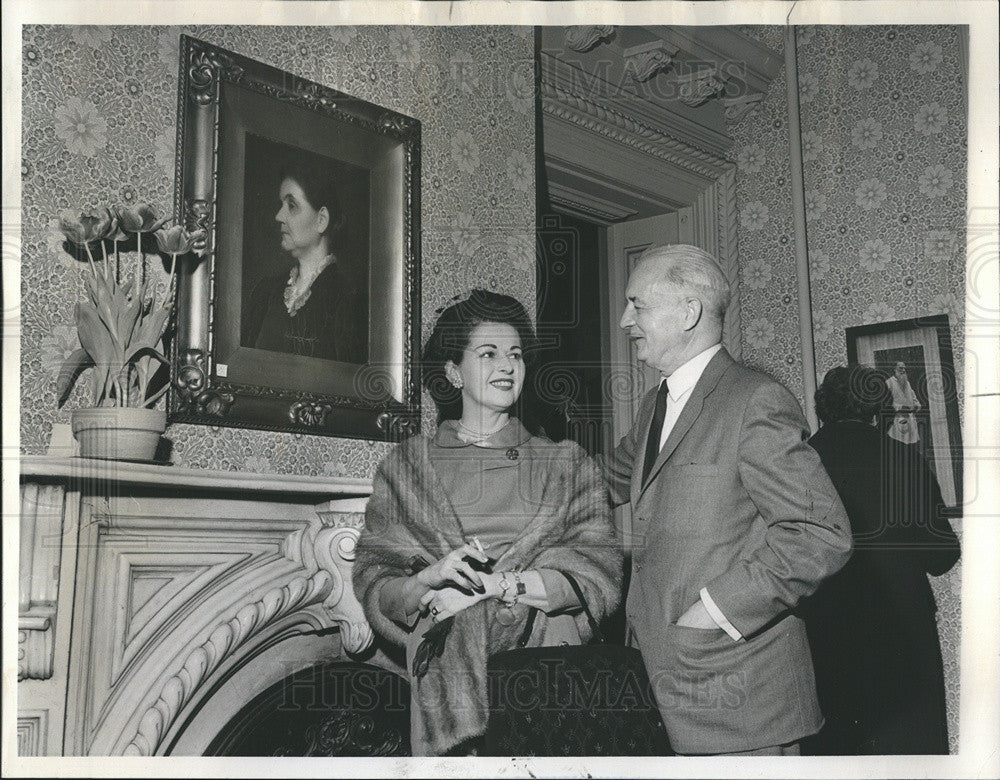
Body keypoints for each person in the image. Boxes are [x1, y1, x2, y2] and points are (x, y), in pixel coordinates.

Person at [602, 244, 852, 756]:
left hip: (741, 703)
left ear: (689, 311)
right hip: (663, 691)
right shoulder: (656, 403)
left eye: (638, 305)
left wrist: (712, 612)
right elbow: (602, 481)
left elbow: (820, 534)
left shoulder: (755, 399)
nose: (626, 320)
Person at [353, 289, 622, 756]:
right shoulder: (406, 469)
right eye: (489, 354)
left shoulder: (565, 464)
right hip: (446, 693)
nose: (507, 365)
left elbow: (597, 575)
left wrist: (498, 586)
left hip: (547, 679)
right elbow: (377, 587)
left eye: (515, 354)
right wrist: (426, 580)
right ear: (454, 372)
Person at [802, 365, 960, 755]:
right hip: (902, 634)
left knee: (838, 753)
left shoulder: (800, 464)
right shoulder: (904, 461)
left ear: (824, 408)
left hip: (825, 633)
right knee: (908, 753)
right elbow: (941, 556)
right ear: (877, 409)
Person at [243, 162, 366, 363]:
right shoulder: (265, 291)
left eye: (291, 206)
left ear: (321, 219)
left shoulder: (348, 299)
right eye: (281, 205)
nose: (279, 216)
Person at [886, 361, 922, 445]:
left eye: (905, 368)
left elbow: (914, 399)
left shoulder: (907, 383)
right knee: (900, 447)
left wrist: (917, 406)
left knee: (913, 446)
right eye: (901, 368)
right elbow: (886, 402)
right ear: (894, 369)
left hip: (911, 420)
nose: (903, 370)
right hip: (898, 420)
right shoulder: (889, 383)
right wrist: (900, 407)